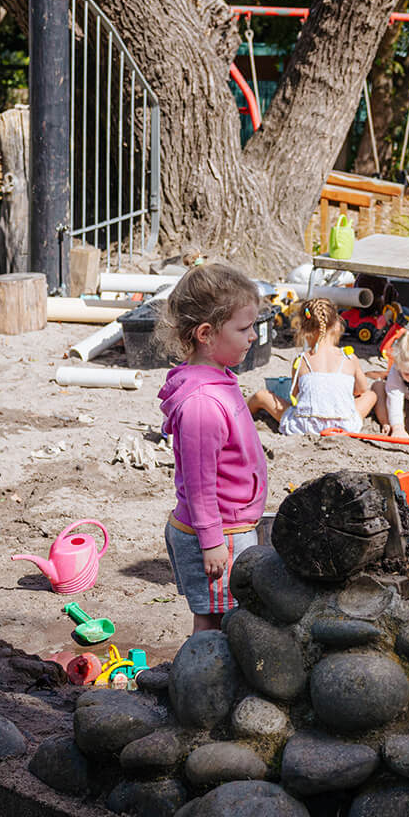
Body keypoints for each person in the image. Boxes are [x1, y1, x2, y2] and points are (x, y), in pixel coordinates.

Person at [159, 263, 270, 632]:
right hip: (215, 534)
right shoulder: (202, 404)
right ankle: (200, 683)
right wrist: (211, 543)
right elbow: (199, 482)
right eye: (243, 328)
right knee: (214, 621)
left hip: (229, 528)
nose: (252, 336)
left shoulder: (219, 379)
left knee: (225, 616)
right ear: (206, 333)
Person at [246, 298, 377, 434]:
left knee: (261, 396)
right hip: (342, 426)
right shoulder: (350, 358)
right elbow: (361, 390)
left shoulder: (302, 359)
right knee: (371, 395)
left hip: (304, 426)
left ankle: (238, 414)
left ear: (304, 329)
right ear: (337, 325)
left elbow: (295, 396)